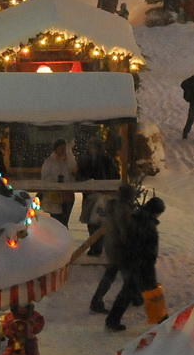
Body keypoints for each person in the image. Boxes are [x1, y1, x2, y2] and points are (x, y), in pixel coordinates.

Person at [106, 196, 165, 332]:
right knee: (152, 291)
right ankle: (162, 321)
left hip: (130, 261)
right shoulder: (147, 224)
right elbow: (148, 248)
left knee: (128, 291)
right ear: (155, 211)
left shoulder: (135, 218)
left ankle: (112, 320)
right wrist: (148, 263)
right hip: (142, 264)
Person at [88, 184, 138, 315]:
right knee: (121, 274)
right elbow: (125, 230)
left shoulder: (114, 206)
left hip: (111, 245)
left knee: (115, 274)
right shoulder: (123, 209)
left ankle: (97, 300)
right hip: (120, 247)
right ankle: (98, 301)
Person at [40, 139, 77, 227]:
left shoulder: (68, 161)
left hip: (67, 194)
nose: (63, 150)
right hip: (54, 195)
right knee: (56, 220)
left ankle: (63, 235)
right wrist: (55, 183)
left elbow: (73, 172)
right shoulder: (49, 162)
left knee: (64, 220)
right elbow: (45, 176)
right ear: (56, 149)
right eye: (61, 148)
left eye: (64, 148)